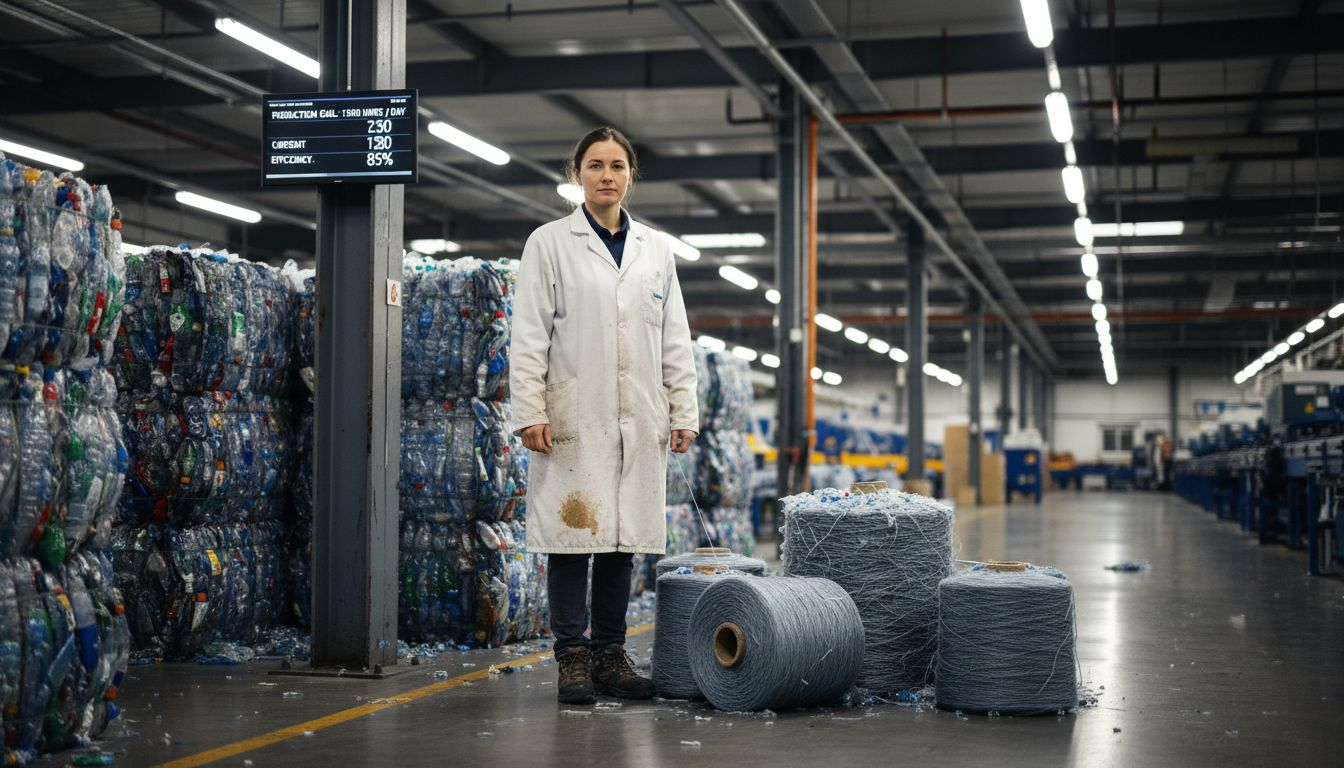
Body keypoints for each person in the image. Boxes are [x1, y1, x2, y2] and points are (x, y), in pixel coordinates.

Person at [510, 127, 699, 704]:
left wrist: (682, 408)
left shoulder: (656, 250)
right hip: (573, 413)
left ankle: (610, 657)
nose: (607, 175)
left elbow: (675, 336)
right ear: (577, 175)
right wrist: (529, 409)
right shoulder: (549, 243)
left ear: (631, 175)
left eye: (617, 166)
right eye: (595, 165)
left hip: (637, 417)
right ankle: (571, 659)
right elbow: (529, 333)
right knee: (572, 537)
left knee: (621, 540)